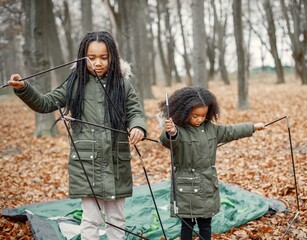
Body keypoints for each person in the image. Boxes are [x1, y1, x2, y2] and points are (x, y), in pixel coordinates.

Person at [7, 31, 147, 240]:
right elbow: (46, 103)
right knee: (90, 219)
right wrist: (24, 88)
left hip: (116, 163)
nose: (97, 63)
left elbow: (135, 111)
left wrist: (138, 127)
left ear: (113, 58)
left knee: (117, 219)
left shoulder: (122, 84)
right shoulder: (75, 84)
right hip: (86, 163)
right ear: (83, 57)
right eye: (91, 58)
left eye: (103, 57)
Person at [158, 87, 265, 240]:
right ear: (183, 112)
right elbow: (167, 140)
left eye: (203, 115)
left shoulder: (210, 129)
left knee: (206, 224)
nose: (200, 119)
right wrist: (172, 132)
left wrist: (252, 127)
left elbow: (231, 131)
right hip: (186, 186)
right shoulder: (178, 130)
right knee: (187, 225)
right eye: (195, 115)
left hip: (208, 184)